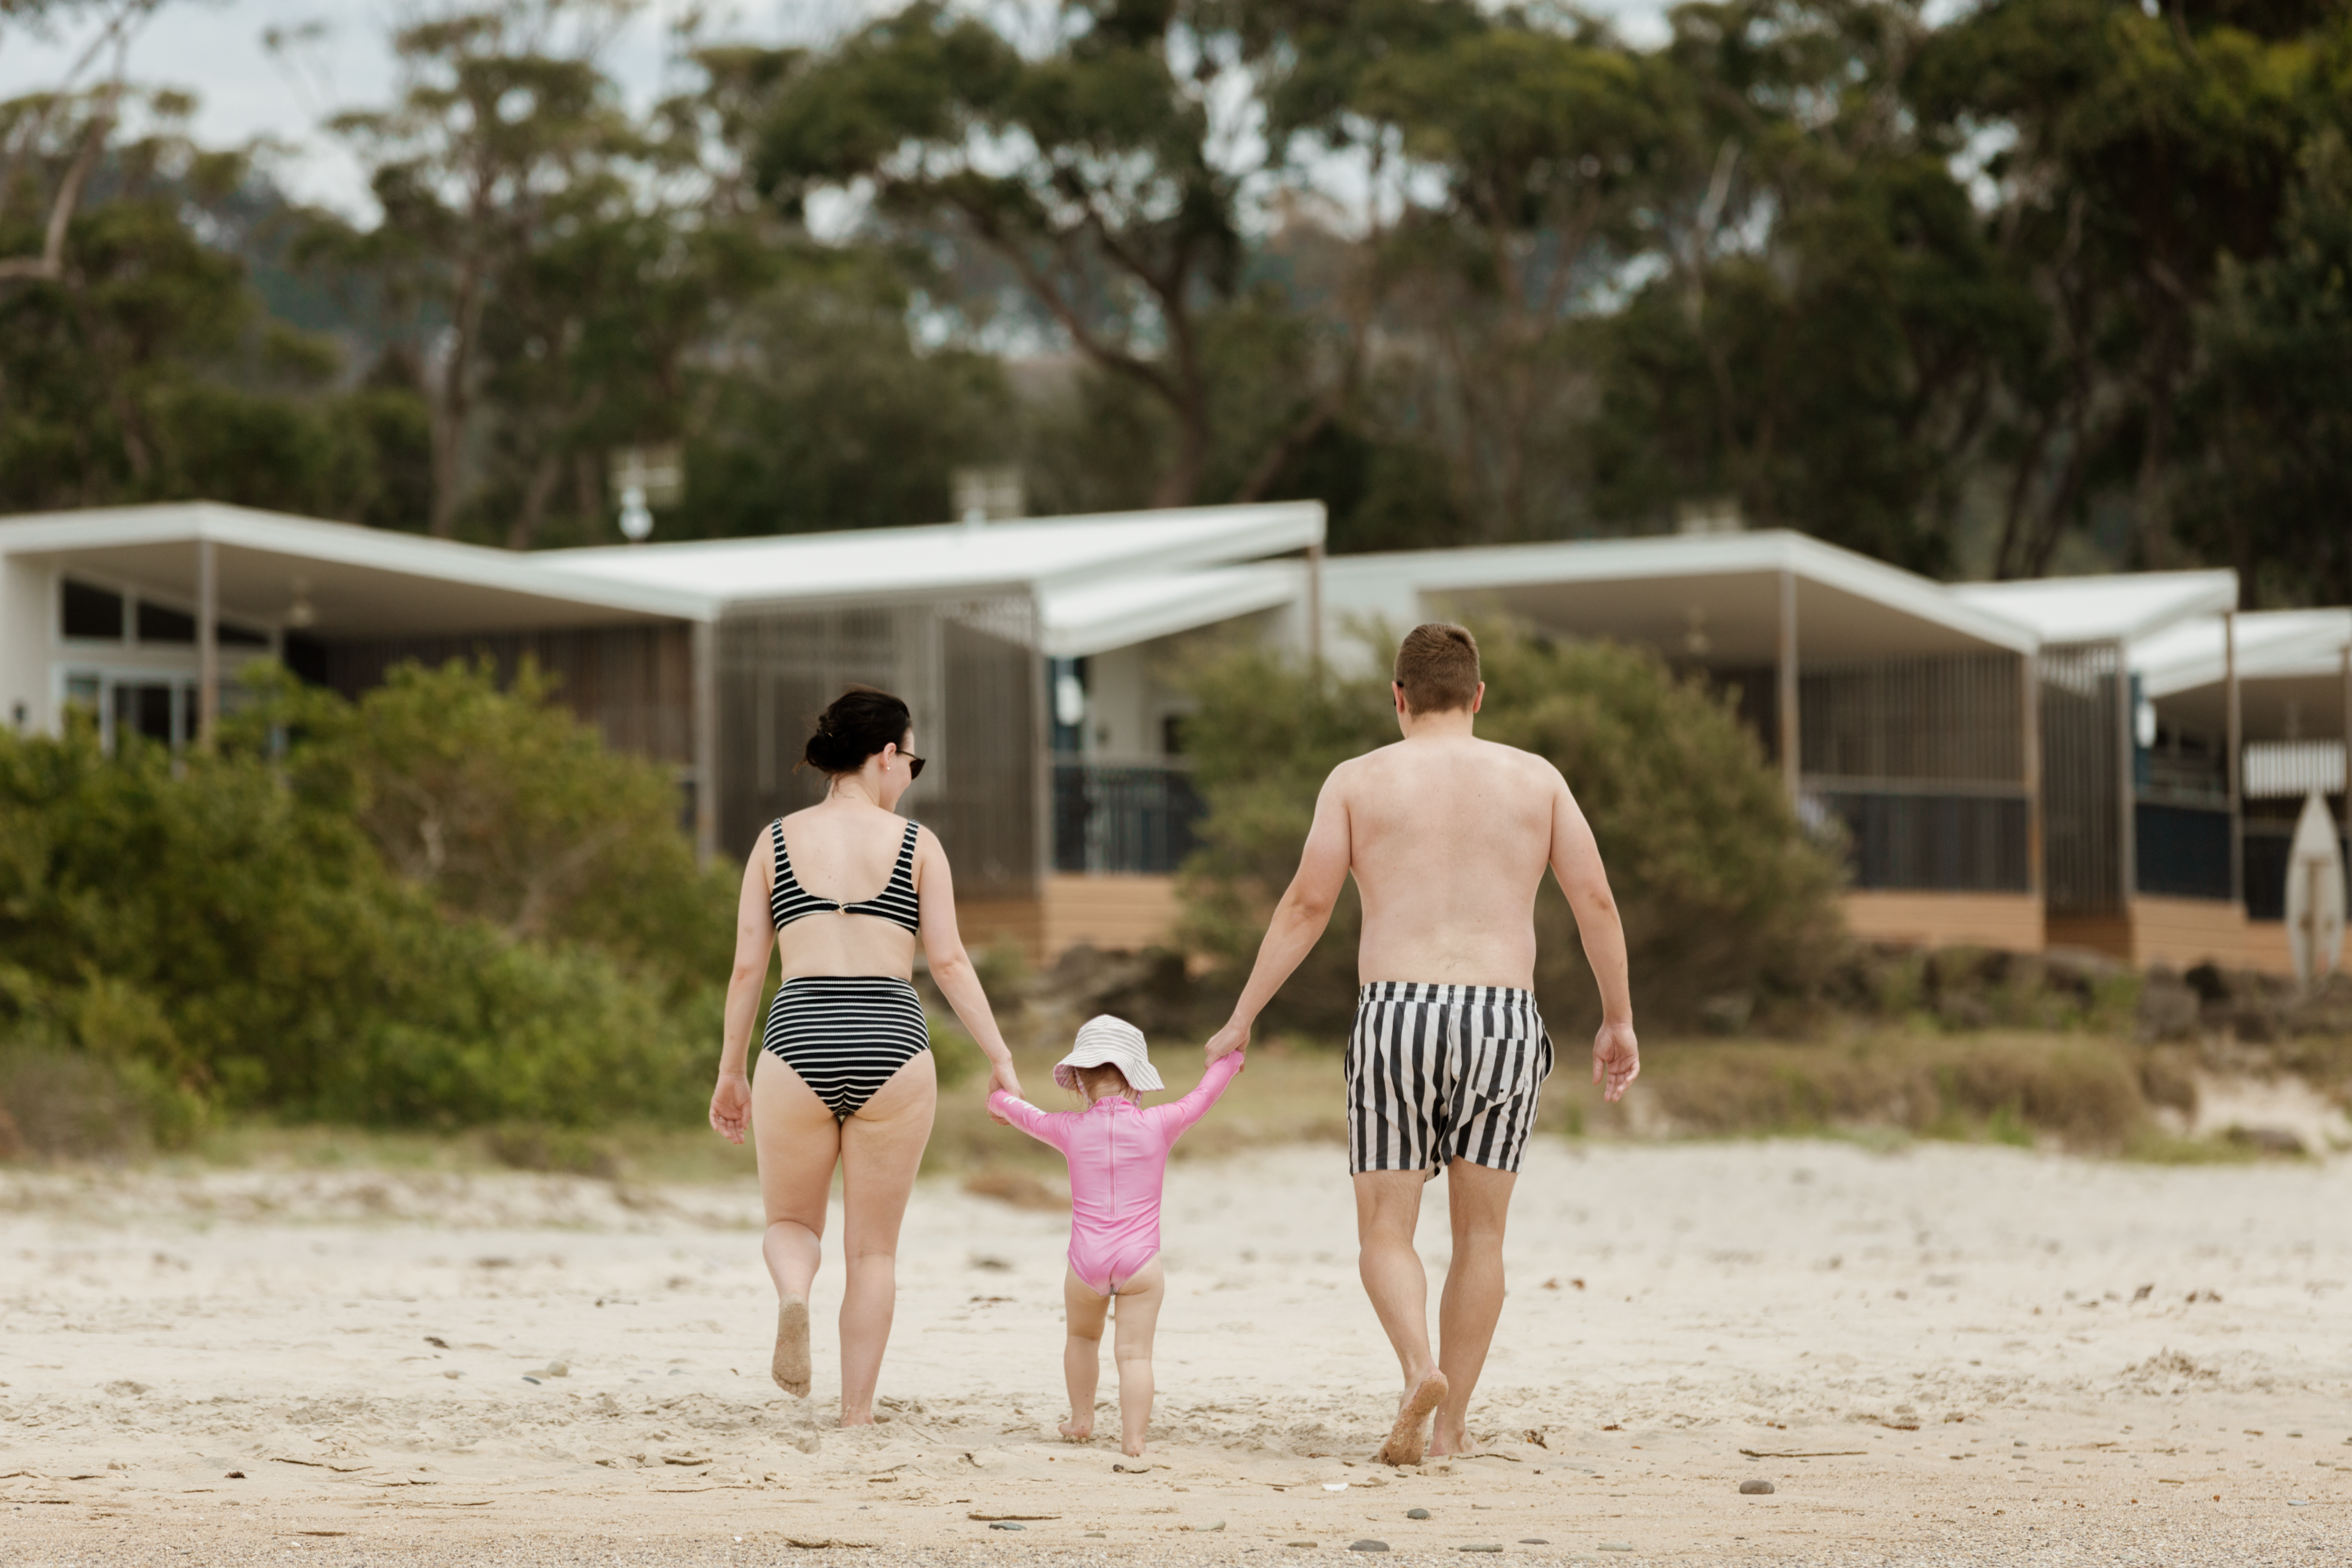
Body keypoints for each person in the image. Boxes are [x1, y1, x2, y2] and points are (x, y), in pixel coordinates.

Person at [1202, 623, 1639, 1466]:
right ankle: (1447, 1429)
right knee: (1480, 1237)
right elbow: (1595, 902)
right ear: (1478, 697)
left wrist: (1241, 1014)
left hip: (1395, 1011)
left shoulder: (1357, 780)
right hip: (1501, 1016)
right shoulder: (1536, 780)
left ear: (1397, 697)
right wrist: (1615, 1017)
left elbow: (1304, 905)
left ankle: (1415, 1367)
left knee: (1384, 1228)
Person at [708, 686, 1021, 1425]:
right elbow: (947, 962)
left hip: (797, 1036)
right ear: (885, 755)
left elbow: (748, 968)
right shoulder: (917, 844)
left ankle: (792, 1295)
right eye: (913, 759)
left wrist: (729, 1069)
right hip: (891, 1039)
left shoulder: (774, 841)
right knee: (873, 1252)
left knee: (791, 1222)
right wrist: (1000, 1057)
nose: (911, 775)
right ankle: (855, 1414)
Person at [988, 1014, 1243, 1458]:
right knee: (1135, 1356)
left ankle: (1081, 1420)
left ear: (1079, 1082)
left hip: (1085, 1260)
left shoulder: (1067, 1128)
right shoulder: (1162, 1122)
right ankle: (1133, 1439)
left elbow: (1014, 1109)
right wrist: (1232, 1057)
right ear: (1136, 1078)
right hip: (1140, 1261)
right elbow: (1207, 1093)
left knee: (1082, 1339)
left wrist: (997, 1097)